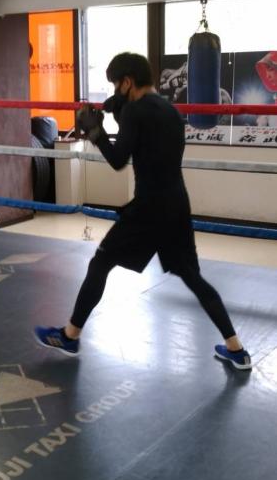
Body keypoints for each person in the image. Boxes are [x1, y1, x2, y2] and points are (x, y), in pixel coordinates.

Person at [35, 51, 252, 370]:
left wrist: (96, 133)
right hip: (177, 205)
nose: (115, 90)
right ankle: (236, 348)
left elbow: (118, 160)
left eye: (116, 84)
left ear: (127, 81)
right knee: (192, 277)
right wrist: (118, 111)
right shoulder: (170, 110)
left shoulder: (136, 112)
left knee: (100, 263)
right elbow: (149, 144)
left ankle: (69, 336)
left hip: (148, 208)